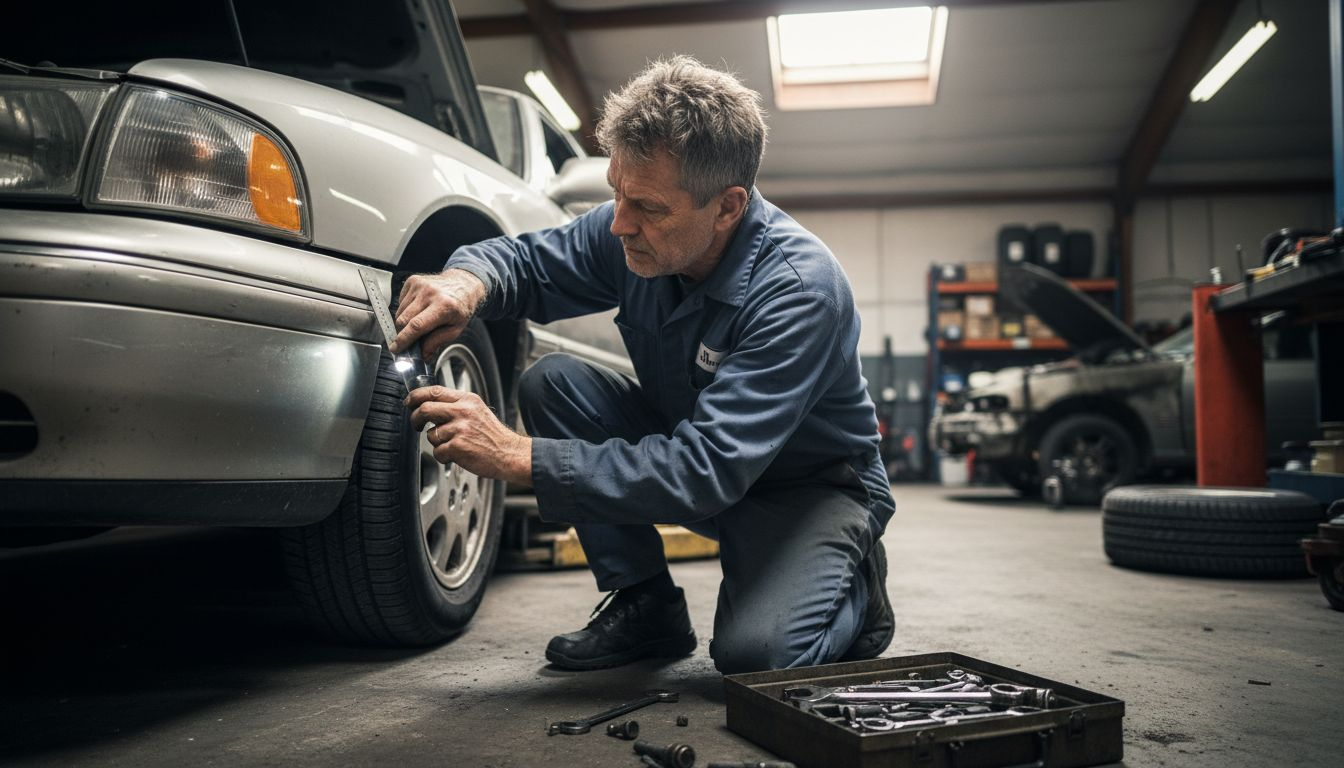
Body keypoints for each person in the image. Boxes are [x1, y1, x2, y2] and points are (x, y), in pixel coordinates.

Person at [392, 56, 895, 674]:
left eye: (649, 208)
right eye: (616, 193)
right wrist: (466, 281)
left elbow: (704, 470)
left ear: (728, 207)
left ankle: (856, 587)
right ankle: (645, 605)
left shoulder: (800, 291)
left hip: (806, 491)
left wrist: (515, 455)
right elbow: (526, 263)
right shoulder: (631, 225)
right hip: (703, 462)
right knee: (555, 385)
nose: (621, 223)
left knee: (757, 658)